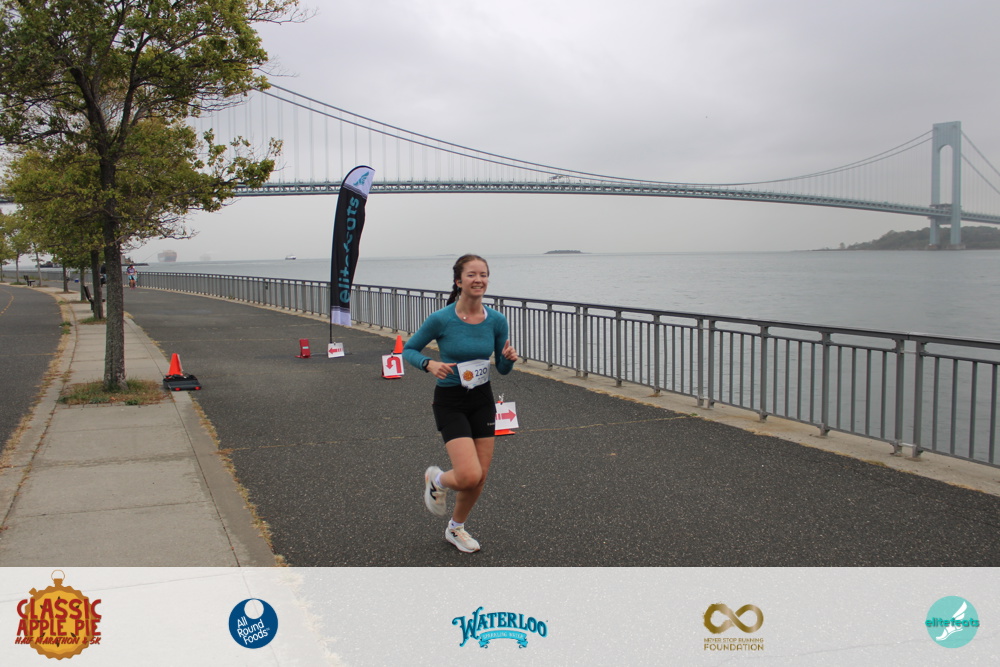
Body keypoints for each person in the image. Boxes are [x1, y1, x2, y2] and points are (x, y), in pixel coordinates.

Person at [402, 254, 518, 553]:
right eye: (471, 274)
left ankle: (456, 528)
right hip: (450, 400)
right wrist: (428, 364)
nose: (478, 280)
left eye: (483, 274)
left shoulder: (497, 320)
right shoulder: (441, 319)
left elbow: (503, 369)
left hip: (482, 398)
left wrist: (508, 360)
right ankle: (438, 479)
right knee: (468, 475)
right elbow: (409, 350)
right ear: (458, 281)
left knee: (480, 477)